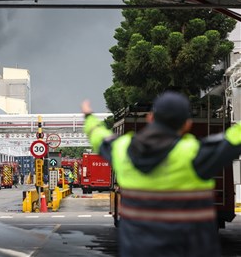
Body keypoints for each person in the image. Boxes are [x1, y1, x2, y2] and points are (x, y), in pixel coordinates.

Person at [81, 91, 241, 257]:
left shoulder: (122, 152)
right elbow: (235, 138)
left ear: (150, 118)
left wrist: (88, 116)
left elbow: (98, 136)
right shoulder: (194, 155)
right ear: (187, 124)